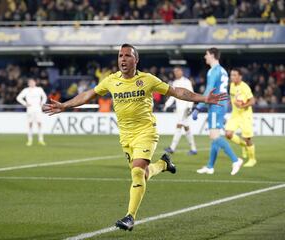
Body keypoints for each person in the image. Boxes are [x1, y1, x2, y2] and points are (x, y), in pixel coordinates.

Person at [44, 44, 227, 231]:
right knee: (144, 174)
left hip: (146, 132)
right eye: (120, 56)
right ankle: (163, 164)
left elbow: (177, 92)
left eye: (127, 56)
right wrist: (65, 105)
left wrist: (203, 99)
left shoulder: (147, 80)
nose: (123, 59)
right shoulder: (111, 80)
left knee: (137, 172)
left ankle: (130, 217)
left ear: (136, 60)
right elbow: (88, 94)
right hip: (126, 137)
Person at [192, 48, 243, 175]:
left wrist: (199, 106)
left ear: (213, 56)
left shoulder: (213, 71)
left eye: (207, 54)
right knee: (214, 137)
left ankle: (235, 160)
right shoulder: (223, 71)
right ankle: (210, 167)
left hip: (216, 105)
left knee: (214, 136)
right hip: (220, 104)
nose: (205, 57)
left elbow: (209, 90)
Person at [225, 68, 256, 167]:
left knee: (247, 138)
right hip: (235, 115)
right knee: (228, 134)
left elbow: (252, 101)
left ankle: (252, 159)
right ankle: (243, 145)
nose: (232, 77)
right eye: (231, 75)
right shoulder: (231, 86)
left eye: (234, 75)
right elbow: (233, 98)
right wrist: (229, 103)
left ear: (240, 76)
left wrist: (242, 106)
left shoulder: (245, 87)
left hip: (245, 115)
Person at [163, 66, 197, 155]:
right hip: (179, 109)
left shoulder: (187, 82)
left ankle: (172, 148)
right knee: (186, 127)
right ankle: (193, 149)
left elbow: (191, 94)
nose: (176, 73)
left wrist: (190, 106)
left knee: (179, 125)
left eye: (178, 71)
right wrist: (166, 105)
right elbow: (172, 96)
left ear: (181, 72)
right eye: (175, 72)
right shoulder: (175, 82)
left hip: (186, 108)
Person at [16, 78, 47, 146]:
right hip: (30, 109)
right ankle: (30, 140)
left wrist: (42, 103)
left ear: (35, 83)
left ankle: (41, 140)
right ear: (28, 84)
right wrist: (25, 103)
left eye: (33, 82)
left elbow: (44, 97)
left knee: (39, 124)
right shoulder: (26, 90)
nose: (32, 83)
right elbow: (18, 98)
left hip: (38, 109)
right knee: (30, 124)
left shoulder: (39, 89)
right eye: (30, 82)